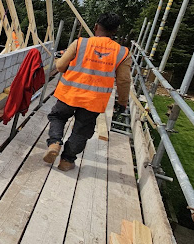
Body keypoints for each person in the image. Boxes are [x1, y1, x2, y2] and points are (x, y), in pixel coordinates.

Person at [43, 13, 130, 171]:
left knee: (58, 117)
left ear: (96, 27)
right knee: (82, 130)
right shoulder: (122, 53)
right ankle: (67, 161)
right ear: (115, 31)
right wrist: (122, 102)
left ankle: (54, 143)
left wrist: (63, 60)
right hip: (94, 101)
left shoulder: (80, 43)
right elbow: (124, 81)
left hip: (69, 94)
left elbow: (60, 66)